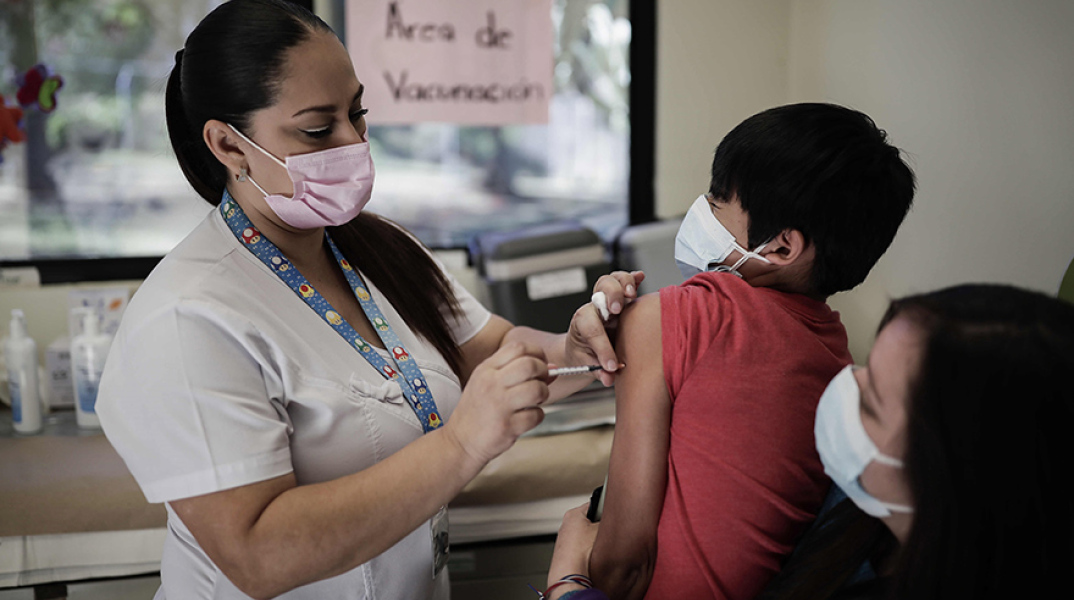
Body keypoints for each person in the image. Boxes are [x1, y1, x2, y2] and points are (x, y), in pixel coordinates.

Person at [95, 1, 612, 598]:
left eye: (357, 114)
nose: (353, 141)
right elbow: (257, 556)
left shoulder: (378, 247)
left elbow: (493, 353)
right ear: (229, 147)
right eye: (318, 128)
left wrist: (576, 347)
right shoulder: (186, 317)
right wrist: (462, 443)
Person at [559, 103, 917, 599]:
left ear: (783, 247)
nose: (701, 208)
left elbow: (622, 569)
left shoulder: (669, 318)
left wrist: (568, 575)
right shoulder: (835, 359)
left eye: (718, 199)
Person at [545, 283, 1074, 600]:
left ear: (952, 471)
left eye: (870, 403)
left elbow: (619, 565)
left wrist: (568, 583)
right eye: (864, 370)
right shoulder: (860, 520)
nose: (842, 387)